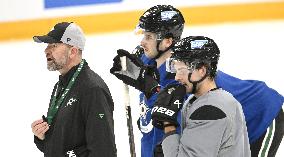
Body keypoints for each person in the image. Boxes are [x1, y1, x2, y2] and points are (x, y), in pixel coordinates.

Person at [110, 5, 283, 157]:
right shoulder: (151, 61)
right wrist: (131, 67)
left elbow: (168, 136)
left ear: (167, 41)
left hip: (261, 115)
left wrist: (151, 89)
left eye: (148, 37)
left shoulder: (182, 80)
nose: (142, 42)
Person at [151, 35, 251, 156]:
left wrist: (168, 125)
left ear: (201, 71)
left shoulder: (210, 110)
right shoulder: (207, 100)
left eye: (182, 70)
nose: (177, 77)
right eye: (176, 70)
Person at [31, 22, 117, 157]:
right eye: (47, 45)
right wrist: (42, 137)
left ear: (73, 51)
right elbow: (66, 143)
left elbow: (103, 150)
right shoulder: (61, 85)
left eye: (53, 45)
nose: (46, 50)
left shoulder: (92, 89)